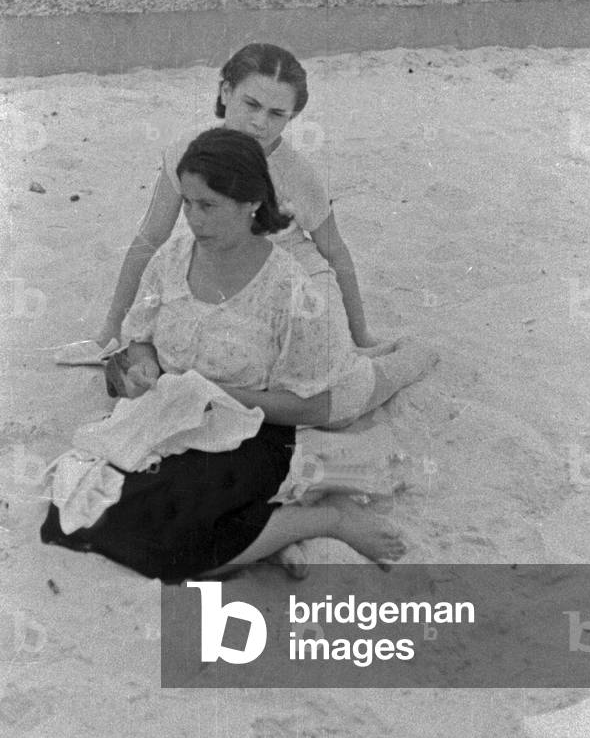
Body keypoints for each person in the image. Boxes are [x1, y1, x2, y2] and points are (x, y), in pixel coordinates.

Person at [41, 130, 435, 583]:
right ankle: (270, 530)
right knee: (81, 517)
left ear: (250, 202)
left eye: (207, 206)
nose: (192, 219)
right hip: (173, 422)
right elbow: (141, 337)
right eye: (187, 203)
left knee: (178, 552)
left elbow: (312, 406)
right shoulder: (172, 258)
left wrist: (215, 393)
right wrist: (145, 365)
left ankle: (328, 520)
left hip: (253, 436)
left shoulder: (290, 289)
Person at [95, 42, 387, 356]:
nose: (260, 122)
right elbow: (150, 238)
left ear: (293, 116)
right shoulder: (188, 150)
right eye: (251, 104)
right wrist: (112, 326)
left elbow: (336, 253)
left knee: (309, 355)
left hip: (293, 276)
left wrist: (361, 334)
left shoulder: (298, 174)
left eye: (276, 114)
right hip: (224, 273)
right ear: (225, 92)